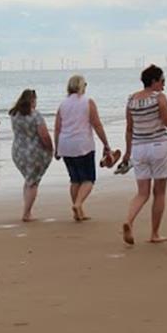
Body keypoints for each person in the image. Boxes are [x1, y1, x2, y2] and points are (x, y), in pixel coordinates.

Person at [119, 65, 167, 245]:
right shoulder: (159, 98)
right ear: (154, 81)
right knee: (159, 192)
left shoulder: (131, 99)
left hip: (139, 147)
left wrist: (127, 152)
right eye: (162, 81)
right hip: (159, 145)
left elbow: (129, 129)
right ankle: (155, 233)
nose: (164, 85)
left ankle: (129, 220)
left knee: (142, 193)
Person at [54, 75, 112, 222]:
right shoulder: (88, 102)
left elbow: (57, 128)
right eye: (85, 84)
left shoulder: (62, 104)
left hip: (65, 145)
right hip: (83, 144)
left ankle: (77, 211)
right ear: (81, 86)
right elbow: (97, 124)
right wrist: (106, 144)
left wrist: (57, 148)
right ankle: (78, 204)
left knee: (74, 180)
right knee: (88, 179)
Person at [8, 89, 53, 222]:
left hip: (18, 152)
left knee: (28, 180)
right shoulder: (35, 115)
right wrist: (51, 148)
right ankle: (26, 213)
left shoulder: (14, 114)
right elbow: (44, 135)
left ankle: (27, 210)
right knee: (33, 182)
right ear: (32, 100)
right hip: (34, 152)